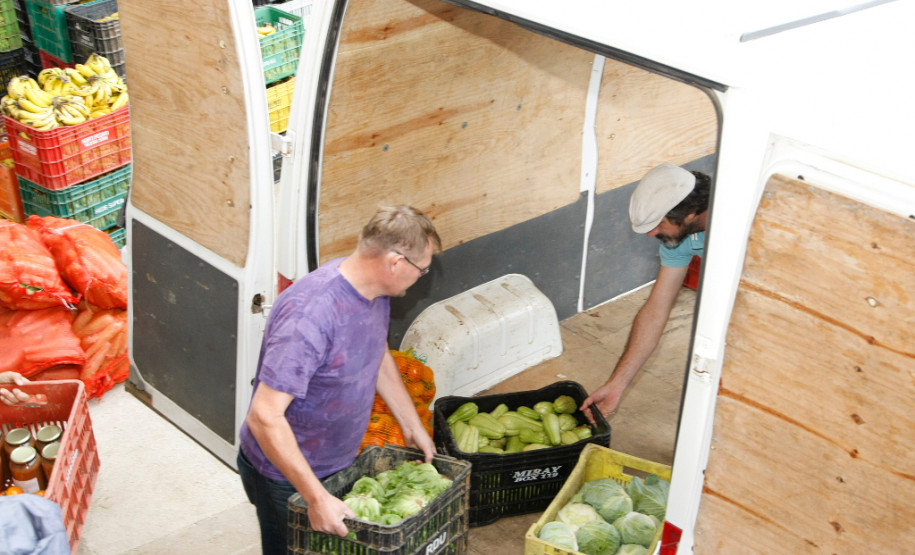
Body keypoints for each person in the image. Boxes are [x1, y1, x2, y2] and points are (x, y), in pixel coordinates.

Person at [237, 205, 442, 554]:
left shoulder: (373, 292)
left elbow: (376, 353)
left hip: (337, 463)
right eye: (422, 270)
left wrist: (412, 425)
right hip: (287, 476)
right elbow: (264, 416)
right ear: (395, 263)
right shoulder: (310, 316)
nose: (420, 277)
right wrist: (315, 497)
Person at [582, 163, 710, 420]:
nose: (652, 234)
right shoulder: (681, 238)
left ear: (691, 213)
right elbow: (656, 308)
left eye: (659, 224)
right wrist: (617, 384)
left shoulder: (744, 225)